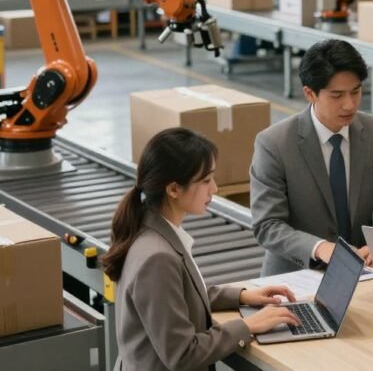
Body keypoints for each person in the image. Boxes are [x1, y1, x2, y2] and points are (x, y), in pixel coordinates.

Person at [102, 127, 299, 371]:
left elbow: (176, 297)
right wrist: (248, 326)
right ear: (173, 189)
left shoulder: (147, 228)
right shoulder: (157, 258)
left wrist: (240, 296)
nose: (214, 189)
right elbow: (182, 354)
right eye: (206, 180)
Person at [251, 39, 373, 275]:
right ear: (310, 93)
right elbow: (268, 225)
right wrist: (320, 248)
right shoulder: (274, 143)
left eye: (356, 92)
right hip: (295, 276)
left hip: (363, 272)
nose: (349, 104)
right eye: (337, 95)